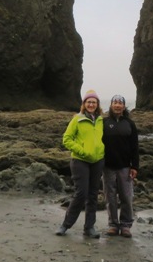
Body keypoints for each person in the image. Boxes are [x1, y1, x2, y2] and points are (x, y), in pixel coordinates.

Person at [56, 89, 105, 238]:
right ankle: (65, 225)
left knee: (93, 195)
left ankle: (89, 227)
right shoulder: (77, 119)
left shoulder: (101, 120)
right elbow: (67, 139)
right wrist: (81, 151)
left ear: (97, 105)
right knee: (81, 193)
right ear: (84, 104)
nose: (91, 104)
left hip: (97, 161)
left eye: (94, 102)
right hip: (80, 161)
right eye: (89, 102)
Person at [102, 95, 139, 238]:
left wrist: (134, 166)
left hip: (125, 167)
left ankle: (125, 225)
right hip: (107, 167)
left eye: (120, 103)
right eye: (115, 103)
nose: (117, 105)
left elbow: (135, 147)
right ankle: (113, 225)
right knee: (109, 196)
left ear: (124, 106)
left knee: (126, 196)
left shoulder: (130, 124)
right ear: (111, 105)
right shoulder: (104, 122)